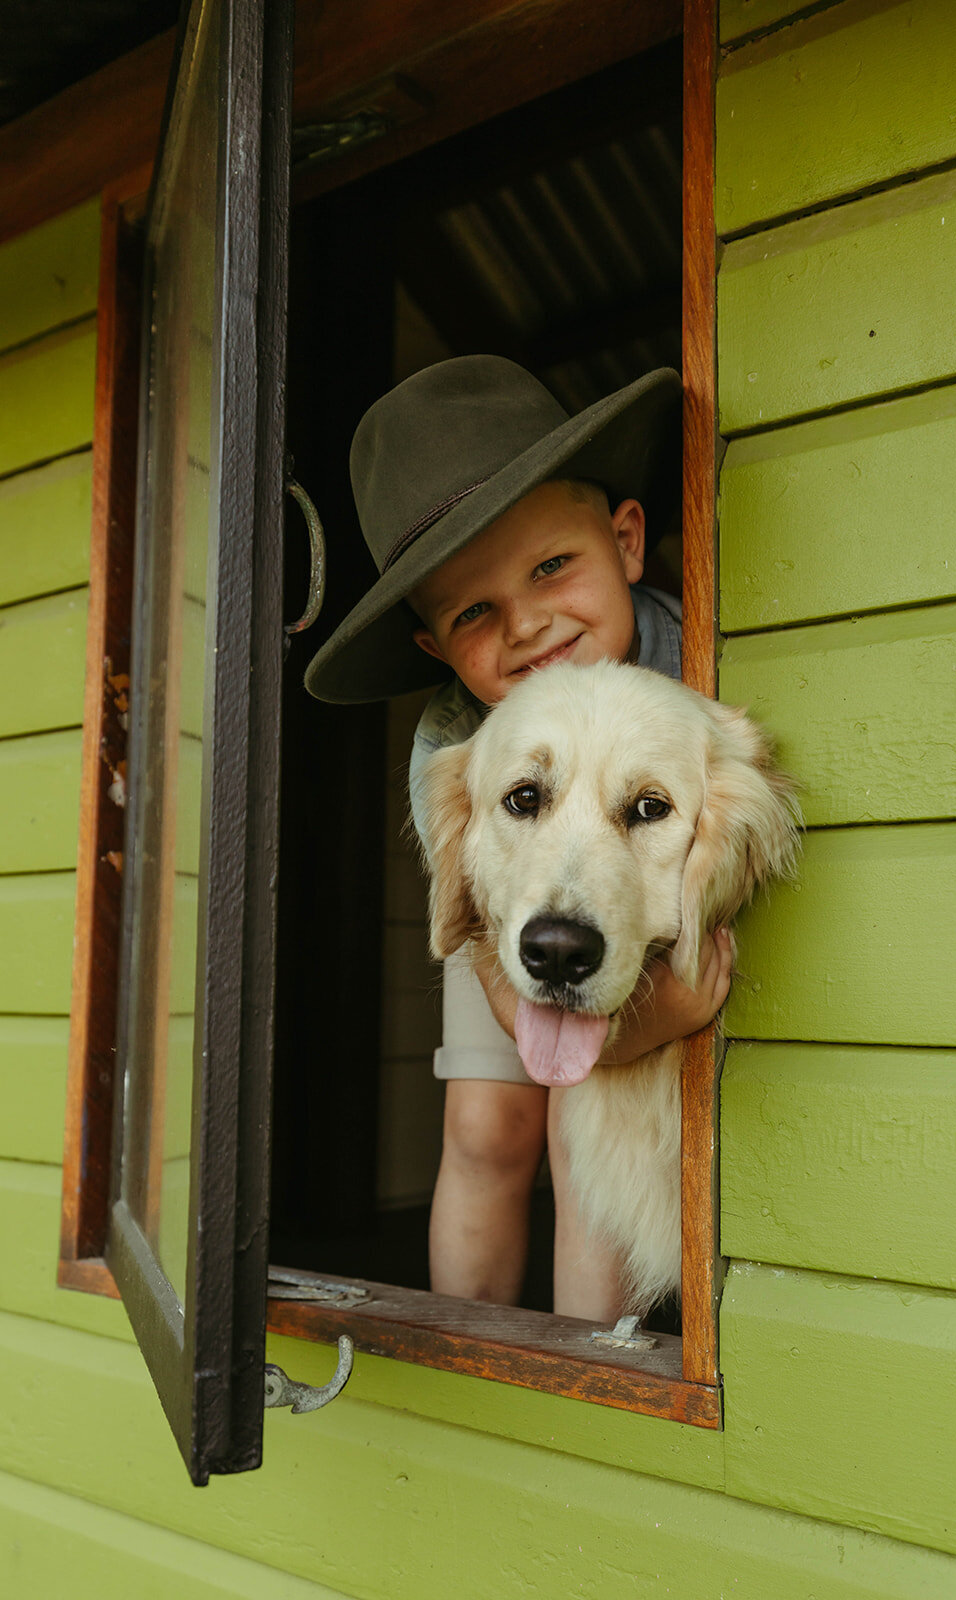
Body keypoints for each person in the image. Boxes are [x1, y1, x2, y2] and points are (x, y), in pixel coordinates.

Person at [305, 355, 732, 1322]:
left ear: (626, 540)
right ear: (435, 649)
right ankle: (474, 1333)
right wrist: (649, 1028)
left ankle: (594, 1347)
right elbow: (479, 939)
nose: (529, 623)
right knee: (490, 1128)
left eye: (550, 567)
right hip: (503, 923)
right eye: (473, 613)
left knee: (583, 1140)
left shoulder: (697, 658)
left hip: (624, 905)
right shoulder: (452, 751)